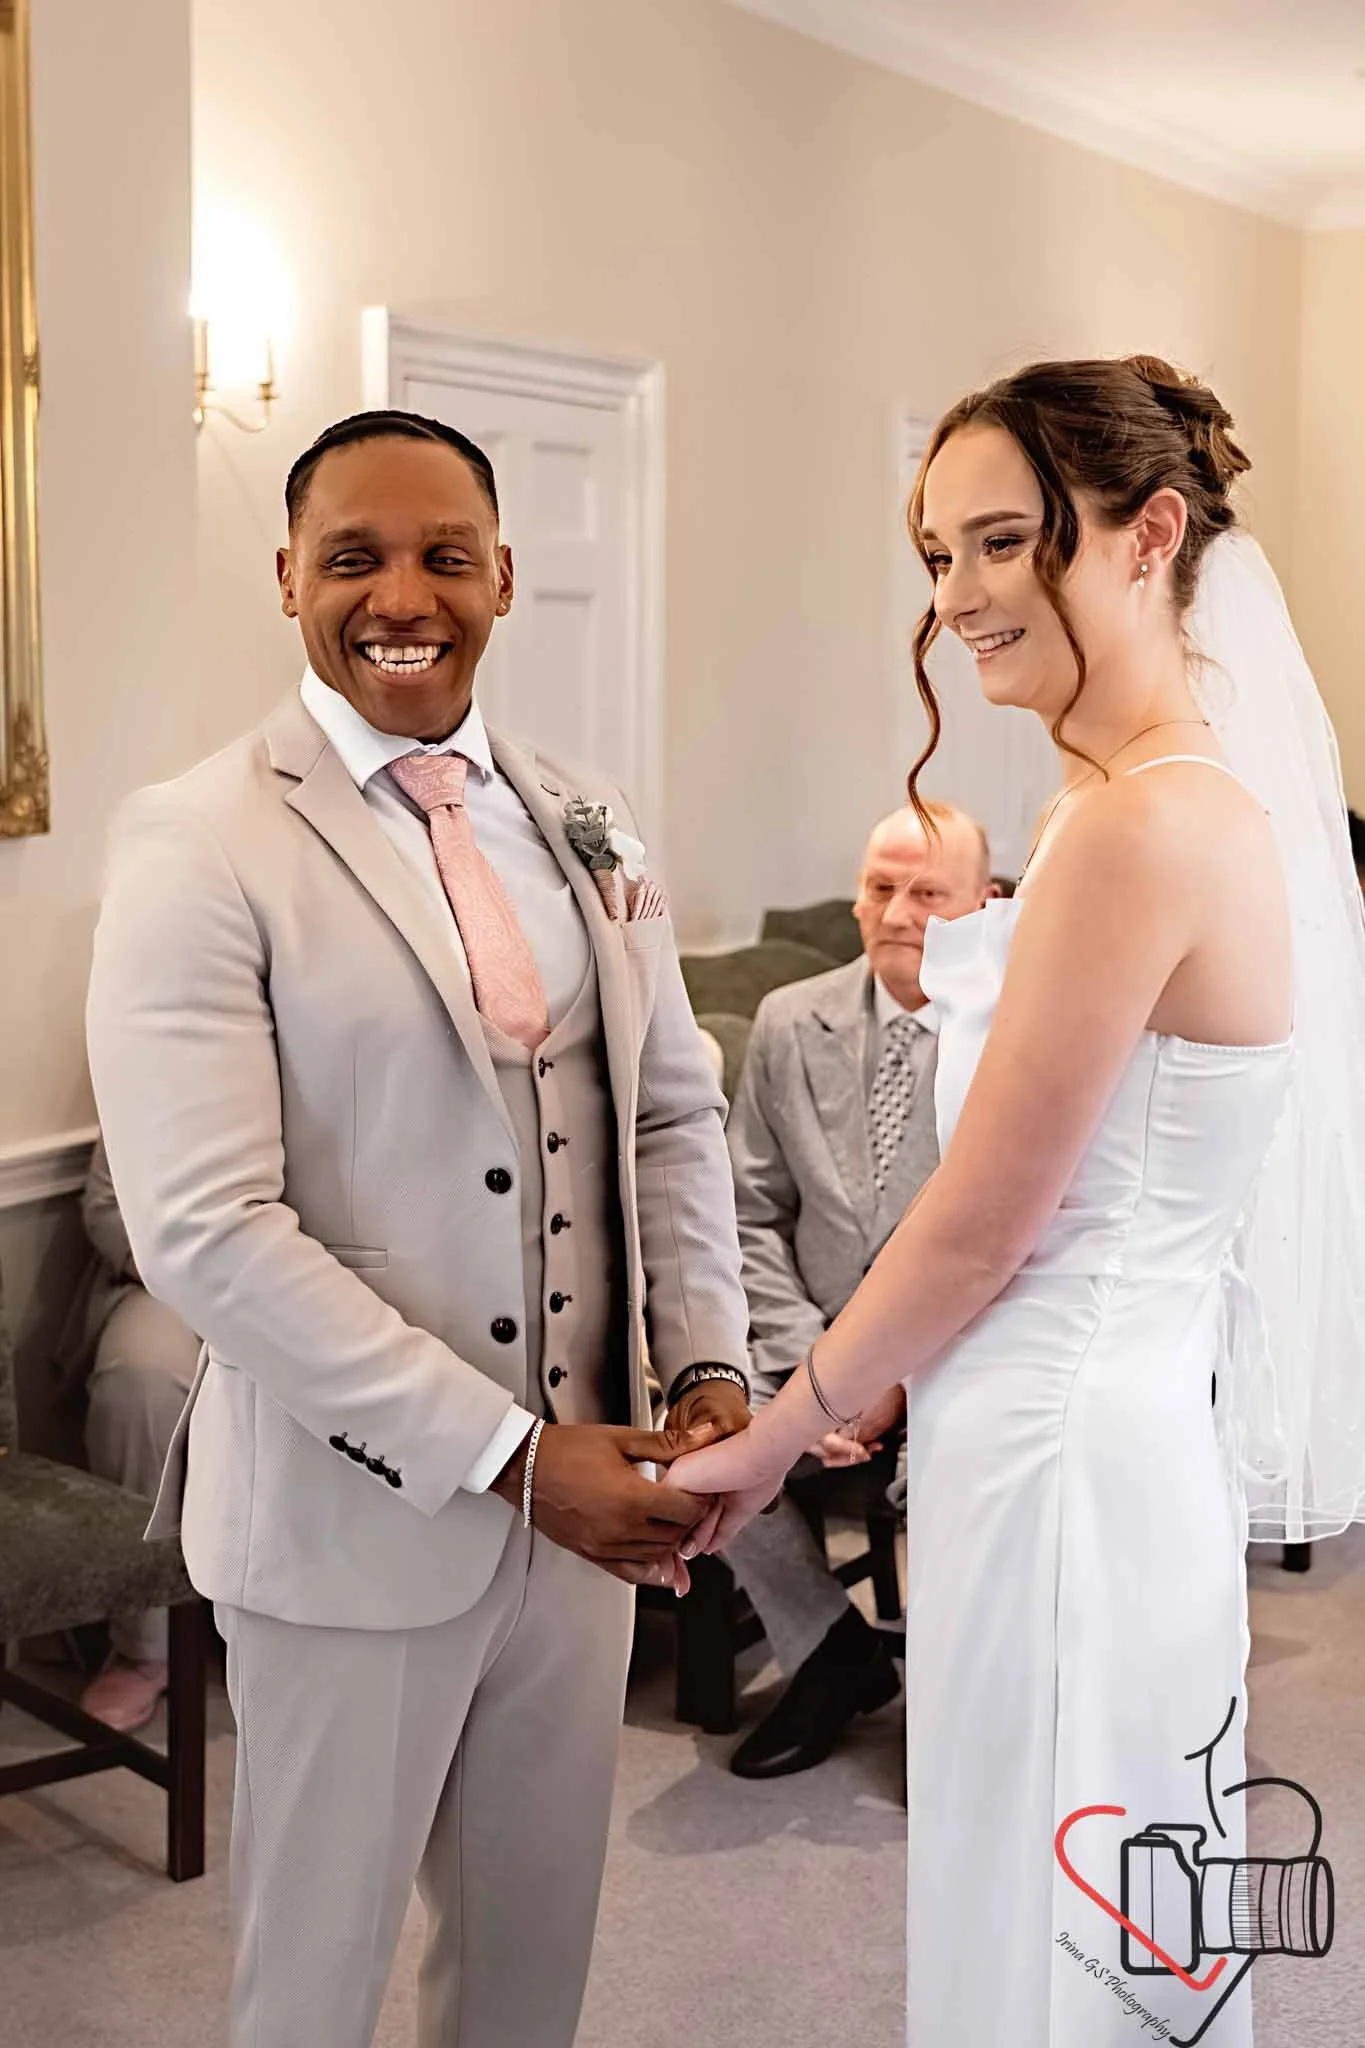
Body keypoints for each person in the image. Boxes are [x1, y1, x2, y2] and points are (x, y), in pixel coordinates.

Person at [675, 357, 1365, 2046]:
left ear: (1151, 536)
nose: (958, 595)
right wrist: (897, 1378)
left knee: (1067, 1916)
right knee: (1082, 1885)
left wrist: (777, 1432)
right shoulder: (1128, 804)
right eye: (934, 553)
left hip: (1066, 1459)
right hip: (1082, 1428)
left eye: (1001, 541)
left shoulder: (1140, 829)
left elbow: (990, 1221)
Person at [86, 410, 752, 2048]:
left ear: (505, 577)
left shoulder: (588, 814)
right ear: (287, 579)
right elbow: (209, 1232)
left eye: (447, 555)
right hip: (350, 1523)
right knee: (312, 1988)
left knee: (530, 1973)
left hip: (592, 1518)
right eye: (355, 557)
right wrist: (516, 1452)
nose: (405, 593)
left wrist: (715, 1369)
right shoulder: (200, 835)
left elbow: (668, 1105)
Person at [722, 801, 993, 1778]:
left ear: (983, 904)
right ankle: (830, 1651)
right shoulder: (793, 1023)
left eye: (929, 892)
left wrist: (894, 1374)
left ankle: (957, 1711)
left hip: (957, 1353)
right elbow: (748, 1209)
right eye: (881, 886)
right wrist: (814, 1364)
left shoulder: (1013, 1035)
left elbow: (1017, 1241)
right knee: (708, 1436)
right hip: (810, 1339)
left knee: (962, 1474)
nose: (899, 910)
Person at [68, 1134, 201, 1729]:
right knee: (139, 1379)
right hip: (169, 1277)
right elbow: (107, 1205)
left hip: (330, 1283)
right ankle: (143, 1646)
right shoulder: (162, 1041)